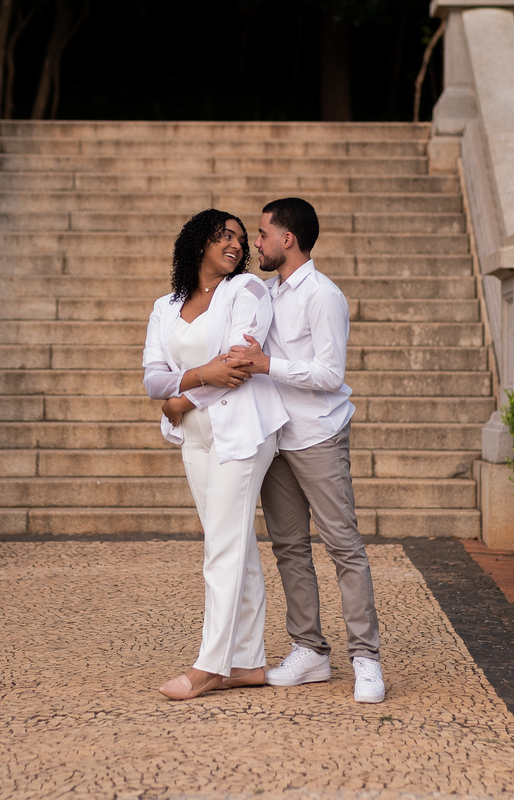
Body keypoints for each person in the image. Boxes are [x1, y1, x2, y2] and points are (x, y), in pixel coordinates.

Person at [230, 197, 385, 704]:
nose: (255, 243)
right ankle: (310, 651)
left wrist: (265, 364)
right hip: (275, 435)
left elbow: (329, 374)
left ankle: (366, 658)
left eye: (261, 234)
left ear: (286, 239)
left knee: (344, 546)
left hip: (318, 433)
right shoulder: (265, 293)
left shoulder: (323, 296)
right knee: (290, 547)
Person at [142, 208, 288, 701]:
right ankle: (246, 663)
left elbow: (235, 363)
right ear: (198, 241)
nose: (235, 244)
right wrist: (197, 380)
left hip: (242, 430)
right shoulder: (166, 306)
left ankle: (209, 665)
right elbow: (151, 377)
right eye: (225, 235)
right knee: (232, 542)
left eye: (242, 239)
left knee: (222, 546)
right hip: (195, 435)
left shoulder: (246, 292)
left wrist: (186, 390)